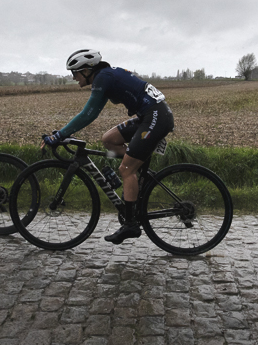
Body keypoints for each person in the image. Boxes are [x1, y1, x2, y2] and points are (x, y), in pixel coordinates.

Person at [43, 49, 174, 244]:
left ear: (87, 70)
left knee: (126, 169)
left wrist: (61, 134)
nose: (73, 77)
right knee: (109, 139)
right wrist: (64, 132)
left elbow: (88, 114)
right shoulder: (105, 76)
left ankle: (130, 224)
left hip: (156, 117)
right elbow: (92, 111)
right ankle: (138, 170)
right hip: (150, 115)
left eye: (75, 73)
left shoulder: (103, 78)